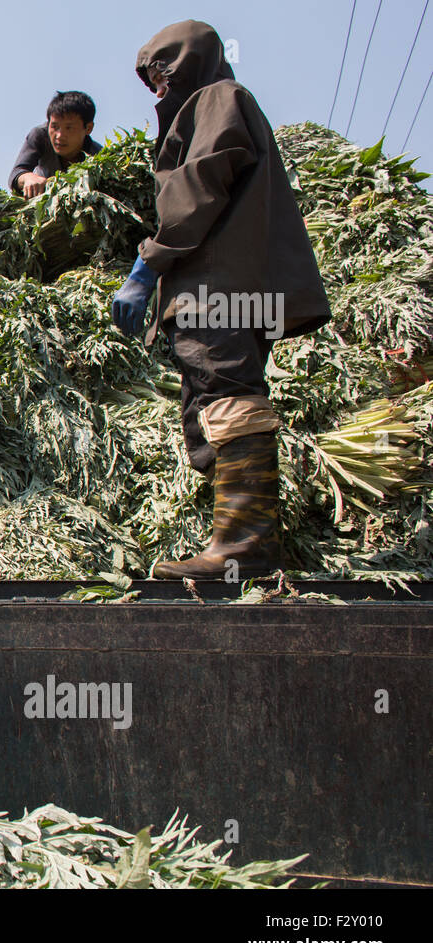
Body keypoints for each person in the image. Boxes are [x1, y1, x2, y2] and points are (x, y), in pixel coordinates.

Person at [111, 20, 331, 580]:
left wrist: (147, 263)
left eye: (161, 76)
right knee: (211, 403)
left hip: (218, 290)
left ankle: (245, 548)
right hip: (224, 288)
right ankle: (234, 541)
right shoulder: (214, 102)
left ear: (188, 63)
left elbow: (198, 189)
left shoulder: (216, 97)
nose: (158, 91)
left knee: (226, 390)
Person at [8, 91, 102, 198]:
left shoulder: (98, 158)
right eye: (54, 127)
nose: (59, 136)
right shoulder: (40, 136)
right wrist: (27, 178)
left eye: (69, 128)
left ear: (88, 128)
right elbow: (17, 172)